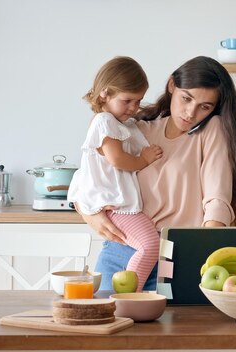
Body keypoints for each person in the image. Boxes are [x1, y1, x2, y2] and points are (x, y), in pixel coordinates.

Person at [77, 56, 236, 291]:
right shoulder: (135, 130)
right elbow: (86, 178)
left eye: (205, 106)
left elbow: (217, 200)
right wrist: (89, 215)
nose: (191, 113)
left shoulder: (211, 131)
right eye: (186, 98)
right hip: (119, 253)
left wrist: (204, 254)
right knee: (105, 325)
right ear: (172, 86)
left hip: (176, 260)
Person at [68, 56, 163, 292]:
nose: (133, 108)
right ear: (105, 93)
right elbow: (117, 159)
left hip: (116, 204)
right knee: (150, 245)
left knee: (149, 245)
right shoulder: (103, 121)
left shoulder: (120, 123)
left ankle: (129, 293)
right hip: (116, 204)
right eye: (127, 100)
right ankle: (131, 295)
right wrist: (144, 159)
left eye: (138, 101)